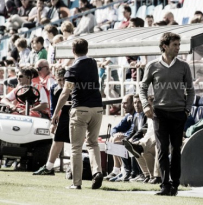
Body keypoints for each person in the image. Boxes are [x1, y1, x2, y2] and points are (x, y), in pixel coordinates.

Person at [139, 32, 195, 196]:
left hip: (179, 113)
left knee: (176, 149)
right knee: (162, 149)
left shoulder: (183, 66)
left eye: (179, 45)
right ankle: (165, 185)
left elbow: (191, 90)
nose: (178, 48)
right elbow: (142, 88)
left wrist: (187, 109)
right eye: (175, 45)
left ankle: (175, 184)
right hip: (160, 113)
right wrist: (145, 105)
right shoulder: (153, 65)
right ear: (165, 46)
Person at [51, 39, 103, 190]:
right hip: (97, 108)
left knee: (76, 147)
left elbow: (65, 93)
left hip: (80, 109)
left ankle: (76, 182)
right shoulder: (93, 64)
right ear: (87, 49)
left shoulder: (72, 69)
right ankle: (97, 171)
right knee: (93, 143)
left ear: (73, 51)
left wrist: (56, 113)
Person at [33, 68, 71, 175]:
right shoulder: (55, 88)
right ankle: (49, 167)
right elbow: (53, 108)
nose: (62, 83)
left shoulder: (72, 86)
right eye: (59, 80)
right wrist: (53, 123)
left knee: (76, 142)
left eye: (64, 79)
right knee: (57, 139)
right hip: (62, 115)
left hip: (75, 114)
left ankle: (77, 166)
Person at [104, 94, 136, 182]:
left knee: (116, 141)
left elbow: (136, 129)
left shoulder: (137, 114)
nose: (122, 106)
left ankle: (123, 170)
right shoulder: (128, 115)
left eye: (125, 103)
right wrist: (115, 134)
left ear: (132, 104)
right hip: (128, 138)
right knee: (113, 138)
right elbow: (115, 128)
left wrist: (123, 134)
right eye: (122, 103)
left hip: (135, 138)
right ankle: (117, 170)